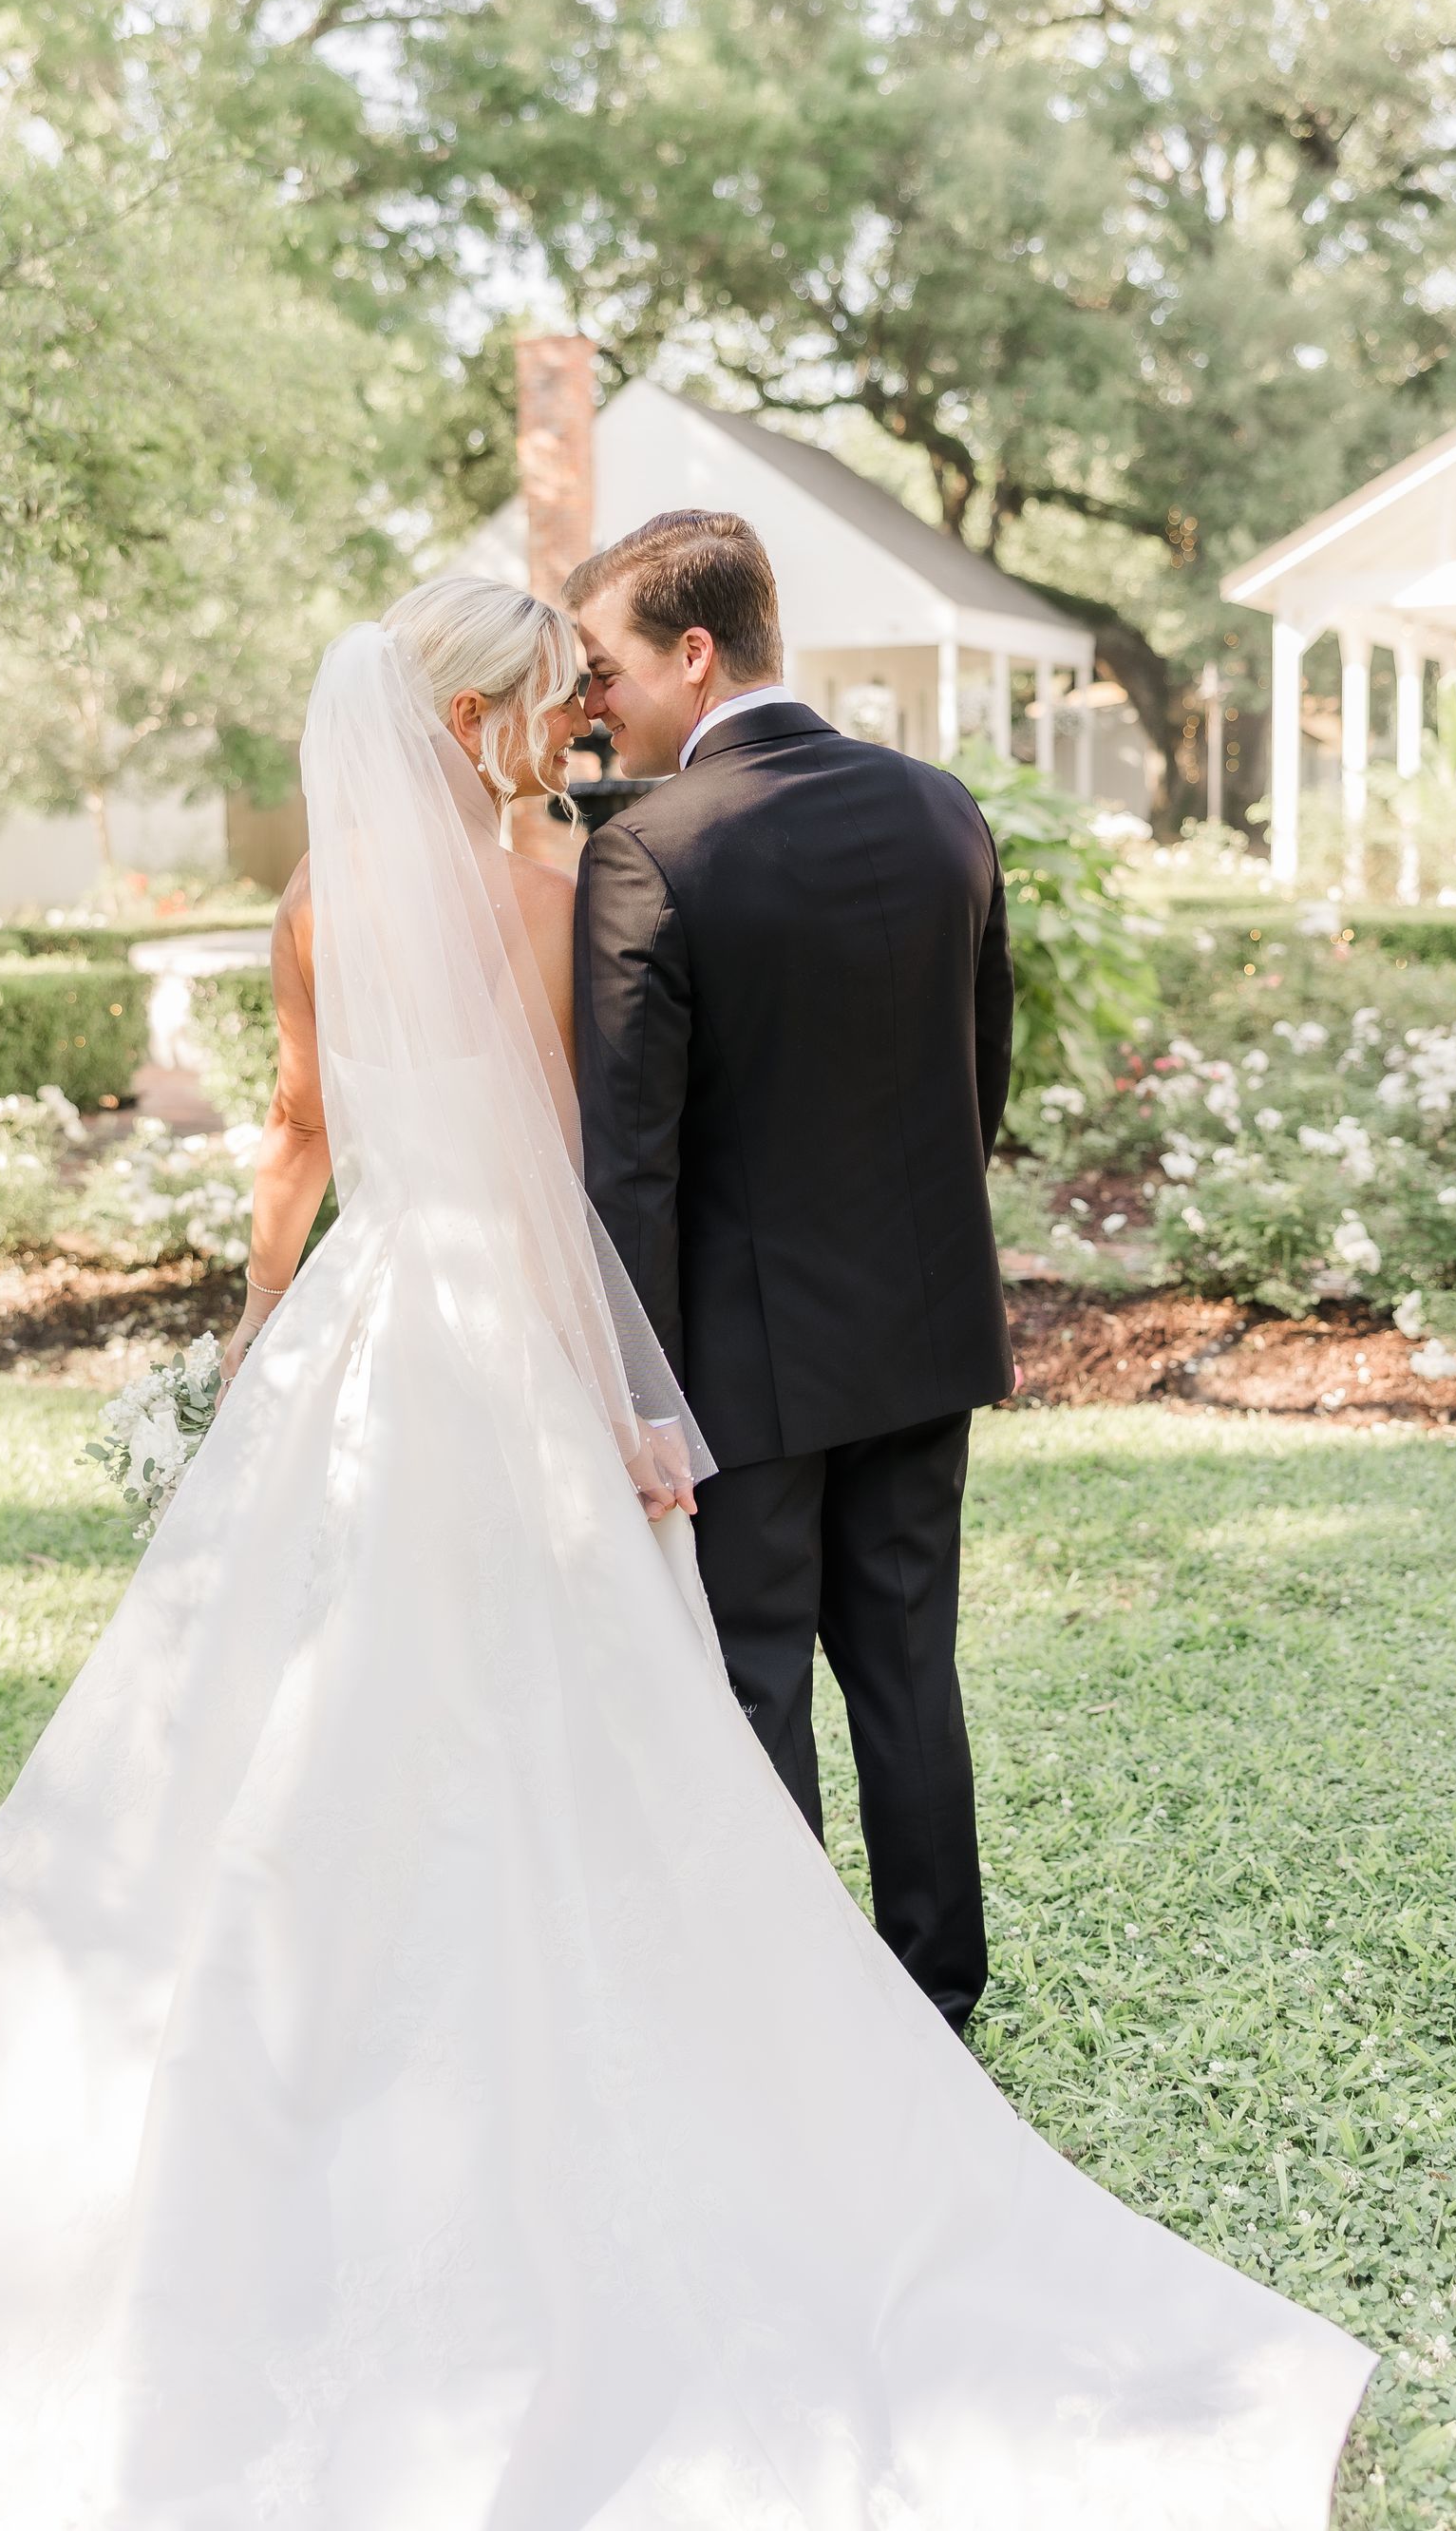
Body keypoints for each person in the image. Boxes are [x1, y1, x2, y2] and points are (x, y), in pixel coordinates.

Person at [0, 579, 1371, 2526]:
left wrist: (253, 1350)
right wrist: (636, 1392)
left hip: (369, 1335)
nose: (574, 727)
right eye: (550, 705)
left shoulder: (318, 905)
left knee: (308, 1698)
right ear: (487, 719)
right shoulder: (566, 880)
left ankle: (303, 2007)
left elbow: (299, 1141)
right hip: (523, 1328)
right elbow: (599, 1154)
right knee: (599, 1687)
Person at [569, 509, 1010, 2031]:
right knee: (906, 1679)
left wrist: (636, 1392)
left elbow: (628, 1161)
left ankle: (797, 2030)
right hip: (926, 1336)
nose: (593, 702)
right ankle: (936, 1999)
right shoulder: (943, 808)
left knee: (756, 1686)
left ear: (693, 656)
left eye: (606, 666)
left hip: (743, 1367)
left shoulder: (648, 847)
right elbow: (983, 1082)